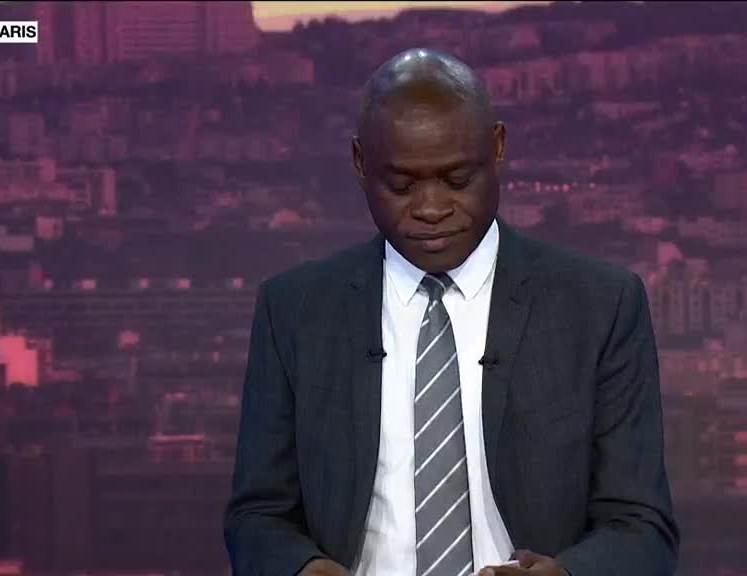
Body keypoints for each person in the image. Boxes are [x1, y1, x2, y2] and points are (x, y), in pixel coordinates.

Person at [223, 48, 679, 576]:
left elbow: (642, 530)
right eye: (402, 185)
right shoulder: (294, 311)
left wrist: (566, 575)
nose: (432, 208)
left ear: (498, 148)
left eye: (458, 180)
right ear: (360, 163)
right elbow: (257, 518)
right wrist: (304, 569)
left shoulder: (600, 306)